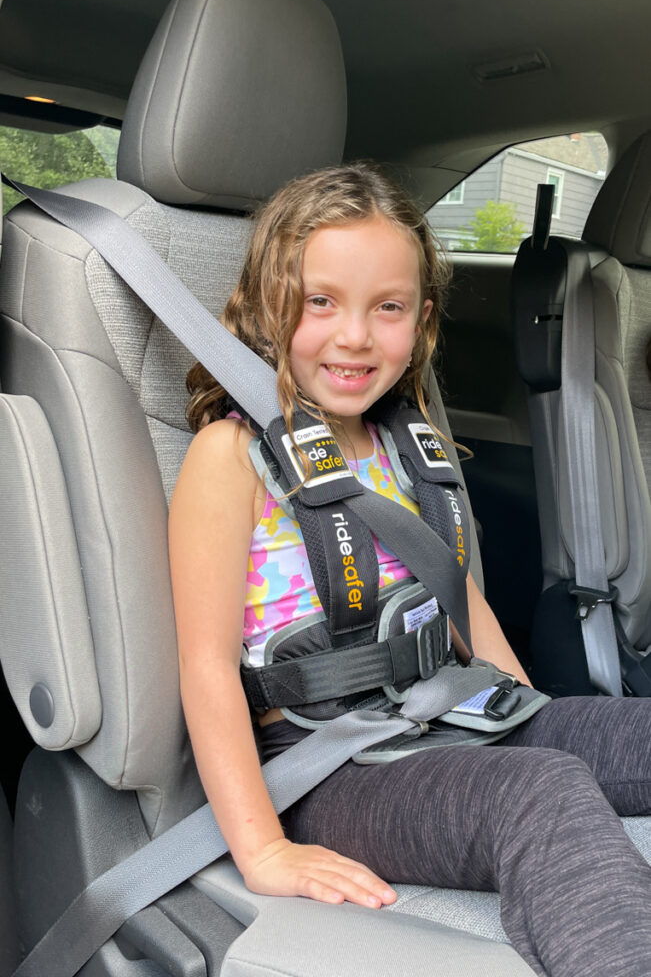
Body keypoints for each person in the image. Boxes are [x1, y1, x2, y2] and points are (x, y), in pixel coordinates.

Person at [168, 163, 651, 977]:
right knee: (538, 792)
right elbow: (205, 664)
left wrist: (523, 710)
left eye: (385, 308)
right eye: (319, 302)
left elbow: (455, 594)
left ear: (421, 320)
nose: (354, 336)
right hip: (327, 762)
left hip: (447, 713)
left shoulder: (405, 439)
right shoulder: (233, 456)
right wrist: (262, 849)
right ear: (261, 308)